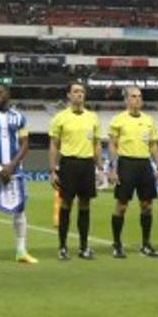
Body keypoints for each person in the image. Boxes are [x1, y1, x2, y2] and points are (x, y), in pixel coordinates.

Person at [0, 85, 36, 264]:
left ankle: (21, 251)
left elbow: (25, 143)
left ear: (8, 95)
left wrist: (11, 165)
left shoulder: (19, 117)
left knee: (19, 209)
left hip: (14, 171)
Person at [47, 82, 102, 260]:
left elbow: (96, 144)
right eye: (76, 91)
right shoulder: (60, 118)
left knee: (85, 205)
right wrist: (52, 170)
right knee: (66, 204)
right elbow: (54, 144)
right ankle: (62, 247)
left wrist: (100, 168)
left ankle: (83, 247)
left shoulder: (92, 117)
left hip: (87, 164)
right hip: (68, 163)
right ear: (69, 95)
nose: (79, 94)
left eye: (82, 92)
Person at [107, 86, 158, 258]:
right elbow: (112, 145)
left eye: (139, 96)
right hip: (126, 164)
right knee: (122, 206)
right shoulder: (118, 120)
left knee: (147, 206)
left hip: (144, 164)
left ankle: (146, 244)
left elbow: (153, 145)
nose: (137, 99)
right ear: (126, 100)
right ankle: (117, 244)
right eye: (133, 96)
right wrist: (113, 168)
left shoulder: (148, 120)